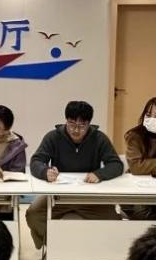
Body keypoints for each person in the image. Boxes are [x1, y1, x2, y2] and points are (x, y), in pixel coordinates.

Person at [26, 101, 124, 250]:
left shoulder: (99, 138)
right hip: (58, 197)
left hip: (90, 197)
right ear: (66, 120)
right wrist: (45, 172)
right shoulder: (53, 137)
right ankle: (54, 247)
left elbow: (116, 164)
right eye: (72, 124)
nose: (76, 130)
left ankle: (98, 250)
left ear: (89, 124)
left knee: (114, 220)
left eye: (82, 126)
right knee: (33, 214)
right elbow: (36, 161)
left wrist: (99, 174)